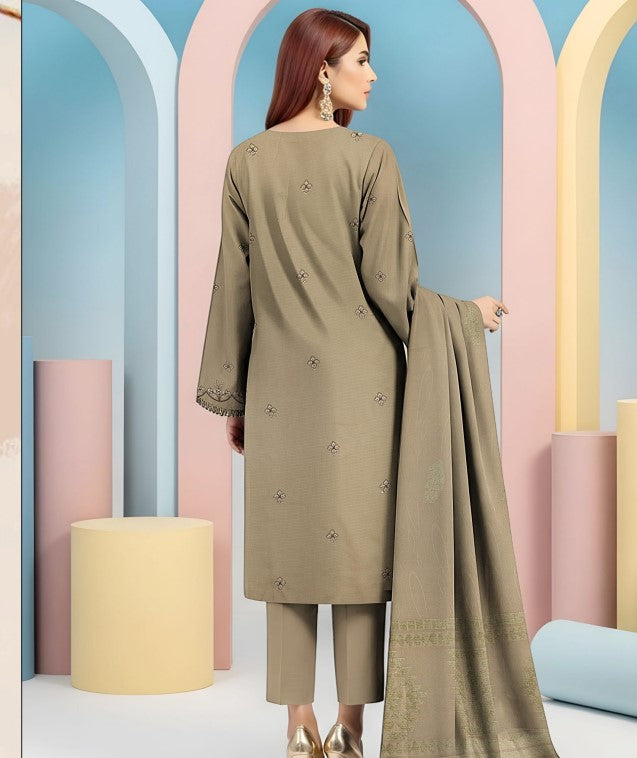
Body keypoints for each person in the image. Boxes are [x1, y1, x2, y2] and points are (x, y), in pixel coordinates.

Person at [196, 9, 508, 758]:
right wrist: (463, 315)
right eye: (361, 60)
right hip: (365, 388)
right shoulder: (369, 157)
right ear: (322, 70)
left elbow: (232, 285)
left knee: (288, 549)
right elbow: (389, 283)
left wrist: (233, 397)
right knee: (361, 553)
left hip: (277, 386)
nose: (373, 75)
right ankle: (351, 727)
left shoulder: (246, 160)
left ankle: (296, 724)